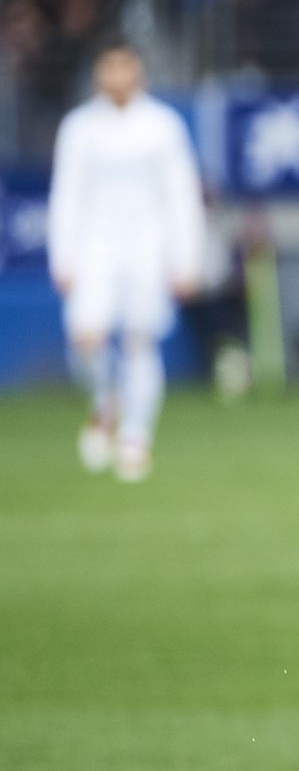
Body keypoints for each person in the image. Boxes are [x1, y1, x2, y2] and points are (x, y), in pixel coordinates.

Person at [48, 43, 206, 483]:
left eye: (125, 69)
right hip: (95, 247)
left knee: (140, 341)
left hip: (146, 248)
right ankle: (105, 403)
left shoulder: (161, 126)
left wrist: (186, 257)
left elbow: (180, 194)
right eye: (109, 69)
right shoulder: (79, 128)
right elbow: (67, 195)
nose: (117, 78)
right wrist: (64, 256)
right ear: (99, 75)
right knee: (86, 339)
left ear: (138, 74)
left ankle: (136, 436)